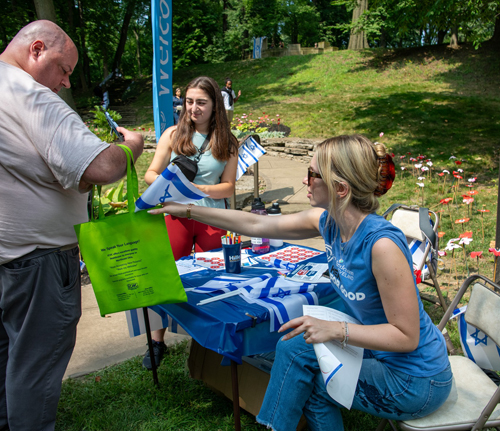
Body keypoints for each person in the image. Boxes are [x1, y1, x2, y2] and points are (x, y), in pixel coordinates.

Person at [148, 135, 452, 430]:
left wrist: (335, 330)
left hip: (416, 379)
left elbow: (406, 337)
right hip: (378, 355)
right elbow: (256, 223)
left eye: (312, 174)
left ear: (341, 188)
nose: (305, 180)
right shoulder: (329, 222)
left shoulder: (381, 246)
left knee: (315, 385)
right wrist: (186, 209)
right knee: (294, 344)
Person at [0, 20, 144, 431]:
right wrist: (130, 146)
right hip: (38, 263)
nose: (64, 83)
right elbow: (100, 165)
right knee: (34, 371)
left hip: (9, 258)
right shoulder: (30, 95)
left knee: (9, 362)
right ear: (37, 49)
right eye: (63, 69)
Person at [142, 76, 239, 370]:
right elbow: (150, 173)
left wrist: (198, 191)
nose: (193, 108)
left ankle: (211, 340)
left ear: (215, 106)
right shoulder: (172, 134)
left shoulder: (227, 141)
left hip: (212, 217)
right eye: (189, 101)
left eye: (201, 102)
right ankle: (157, 341)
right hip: (175, 215)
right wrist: (168, 186)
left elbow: (229, 186)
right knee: (167, 277)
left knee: (215, 279)